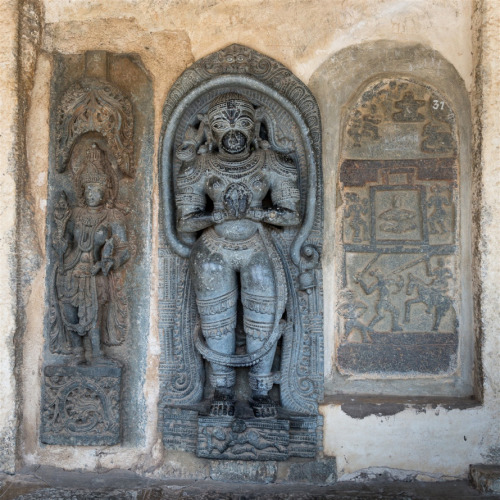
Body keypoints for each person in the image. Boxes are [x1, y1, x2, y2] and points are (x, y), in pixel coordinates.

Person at [175, 92, 301, 417]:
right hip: (213, 250)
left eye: (242, 123)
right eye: (222, 125)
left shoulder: (273, 164)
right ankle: (223, 389)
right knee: (217, 323)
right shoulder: (199, 168)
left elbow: (291, 215)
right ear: (210, 131)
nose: (233, 133)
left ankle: (261, 391)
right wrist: (218, 217)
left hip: (259, 247)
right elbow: (186, 223)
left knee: (264, 320)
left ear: (255, 125)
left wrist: (258, 214)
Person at [51, 143, 130, 364]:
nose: (92, 194)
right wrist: (59, 234)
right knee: (70, 310)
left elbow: (124, 249)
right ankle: (77, 352)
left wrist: (108, 263)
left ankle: (96, 353)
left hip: (95, 270)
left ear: (106, 190)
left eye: (97, 189)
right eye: (88, 190)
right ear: (82, 191)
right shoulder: (74, 214)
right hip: (69, 268)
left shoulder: (113, 216)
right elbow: (63, 242)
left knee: (94, 311)